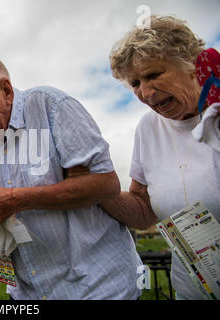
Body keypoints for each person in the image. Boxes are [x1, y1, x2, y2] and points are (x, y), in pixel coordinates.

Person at [0, 54, 142, 300]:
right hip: (28, 292)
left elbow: (106, 185)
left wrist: (15, 199)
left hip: (95, 286)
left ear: (6, 90)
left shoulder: (52, 106)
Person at [101, 15, 220, 300]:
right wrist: (94, 187)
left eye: (153, 75)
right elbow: (143, 210)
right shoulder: (148, 128)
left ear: (191, 65)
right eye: (135, 83)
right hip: (192, 292)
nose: (145, 91)